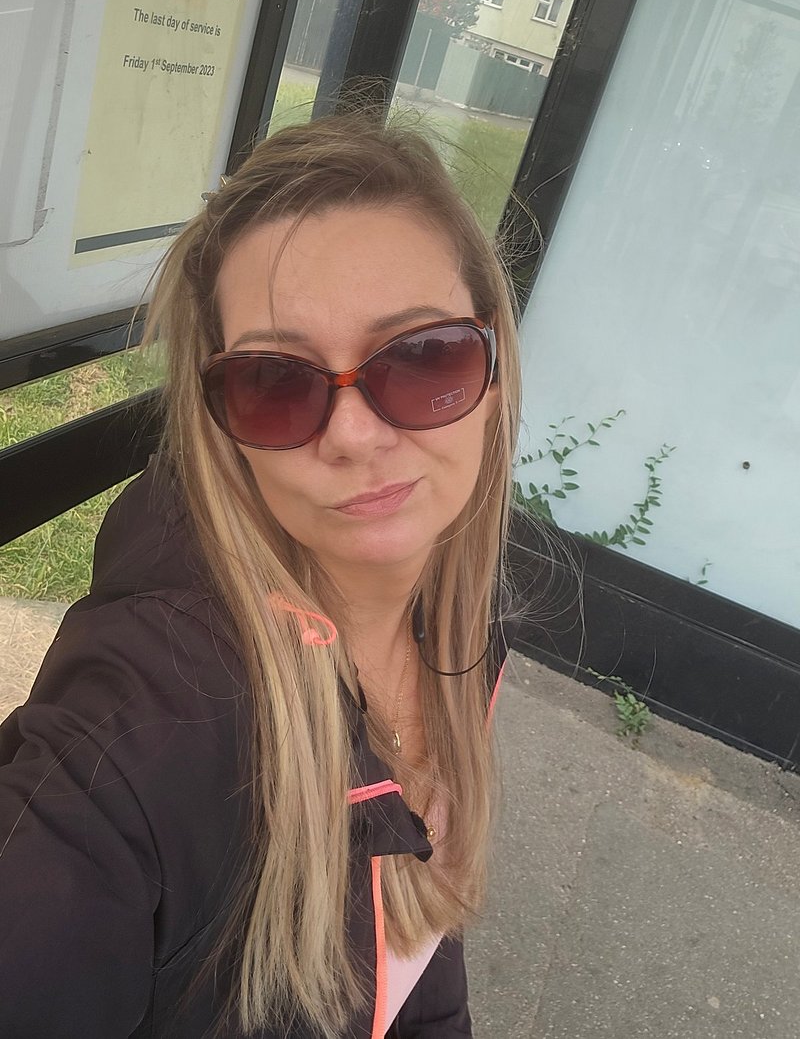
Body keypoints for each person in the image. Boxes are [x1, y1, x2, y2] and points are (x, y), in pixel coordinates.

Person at [0, 113, 522, 1038]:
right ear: (220, 426)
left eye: (423, 356)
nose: (354, 434)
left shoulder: (458, 616)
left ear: (494, 369)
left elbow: (419, 947)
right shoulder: (151, 718)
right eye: (275, 382)